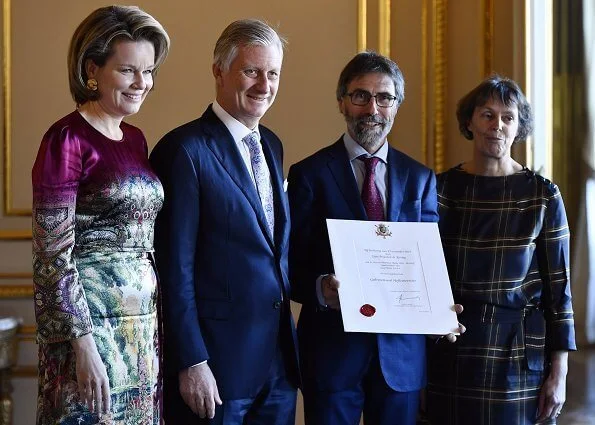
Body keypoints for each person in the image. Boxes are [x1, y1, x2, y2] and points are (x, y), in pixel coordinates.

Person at [288, 51, 462, 425]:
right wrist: (320, 288)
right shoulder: (309, 174)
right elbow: (289, 262)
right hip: (332, 354)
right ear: (342, 102)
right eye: (360, 96)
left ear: (396, 106)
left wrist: (439, 312)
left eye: (385, 97)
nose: (373, 108)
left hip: (400, 359)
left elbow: (428, 261)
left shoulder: (420, 178)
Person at [150, 19, 300, 425]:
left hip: (277, 367)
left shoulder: (271, 143)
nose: (264, 85)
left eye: (273, 74)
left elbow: (271, 251)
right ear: (219, 70)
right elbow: (173, 267)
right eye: (252, 71)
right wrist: (192, 360)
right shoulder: (184, 150)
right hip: (215, 369)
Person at [31, 5, 169, 425]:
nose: (142, 83)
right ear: (93, 68)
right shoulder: (66, 139)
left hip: (141, 332)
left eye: (149, 72)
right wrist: (83, 346)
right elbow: (52, 257)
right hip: (88, 335)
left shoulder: (136, 139)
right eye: (128, 70)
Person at [425, 75, 577, 425]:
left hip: (518, 353)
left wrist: (560, 374)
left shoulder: (543, 195)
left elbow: (560, 292)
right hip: (451, 346)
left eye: (508, 117)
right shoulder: (439, 190)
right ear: (469, 121)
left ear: (519, 126)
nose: (497, 126)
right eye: (487, 115)